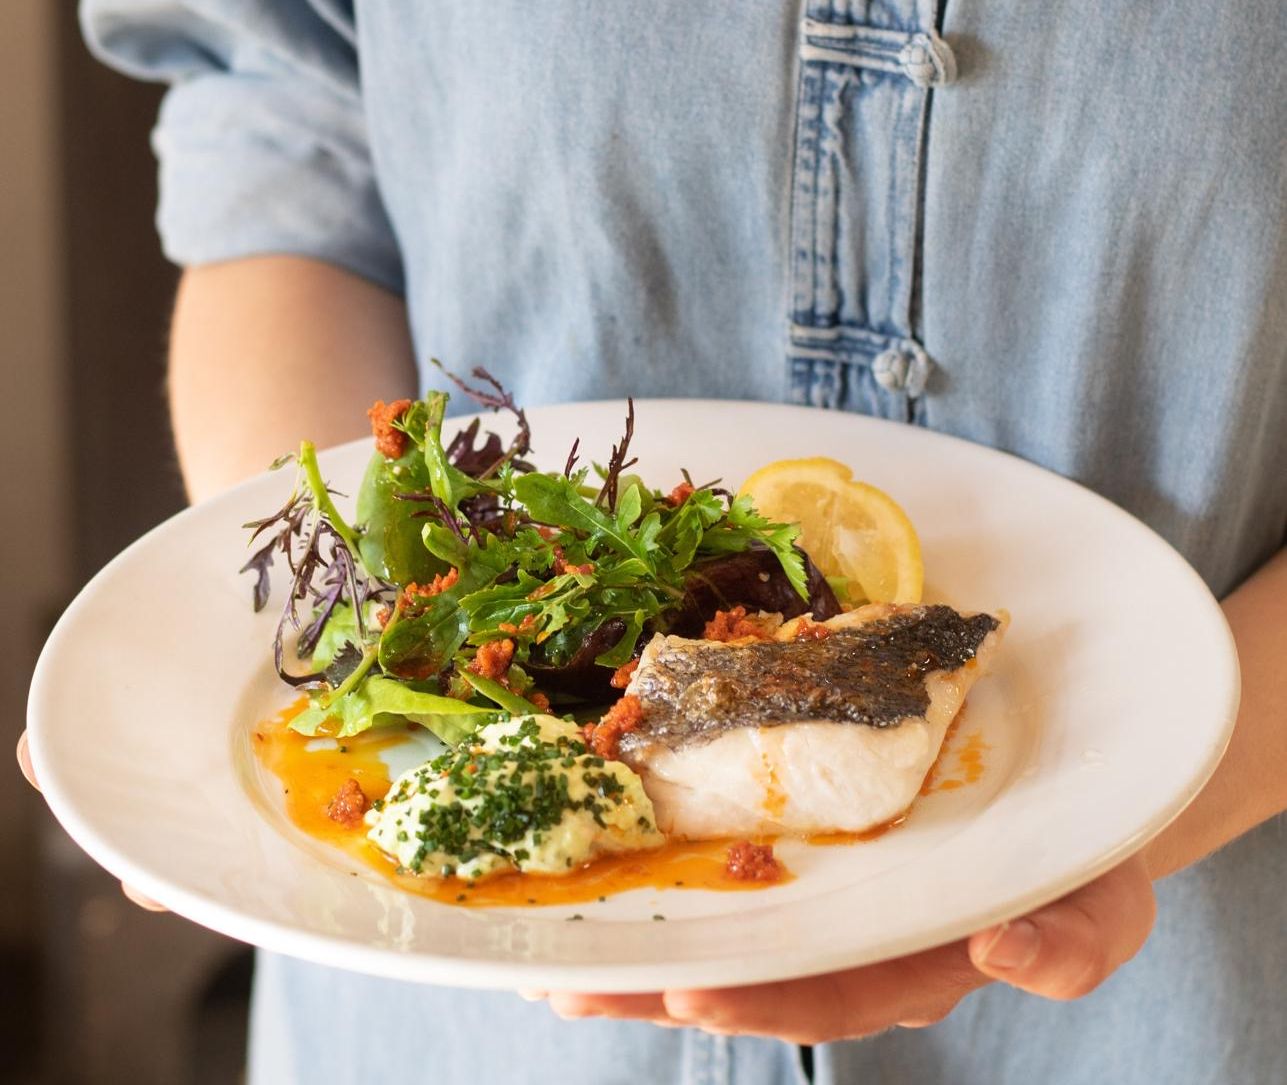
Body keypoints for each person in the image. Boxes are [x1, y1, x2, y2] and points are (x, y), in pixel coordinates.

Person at [18, 2, 1285, 1081]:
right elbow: (283, 127)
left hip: (1168, 980)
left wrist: (1139, 812)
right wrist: (335, 640)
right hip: (460, 1001)